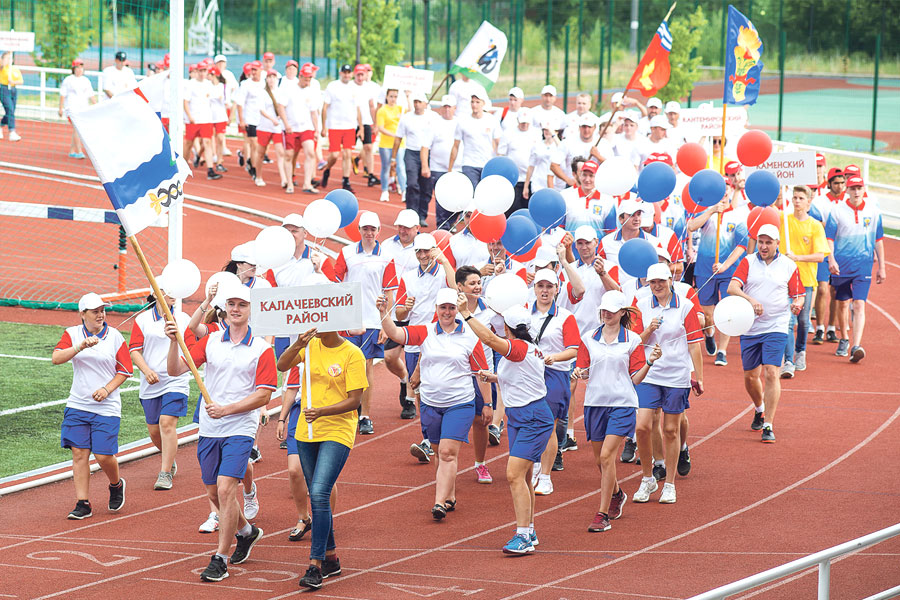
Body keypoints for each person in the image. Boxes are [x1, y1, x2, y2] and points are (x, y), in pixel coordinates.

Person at [165, 283, 275, 582]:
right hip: (210, 428)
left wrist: (228, 409)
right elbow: (175, 370)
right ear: (225, 308)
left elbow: (264, 395)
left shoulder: (262, 349)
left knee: (227, 489)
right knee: (214, 492)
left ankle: (220, 558)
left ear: (251, 309)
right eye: (232, 304)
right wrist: (175, 342)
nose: (236, 309)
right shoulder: (212, 340)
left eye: (242, 304)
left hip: (240, 426)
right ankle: (246, 532)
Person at [380, 288, 490, 518]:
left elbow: (482, 373)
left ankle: (439, 502)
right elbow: (395, 334)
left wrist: (487, 404)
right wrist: (383, 312)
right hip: (430, 402)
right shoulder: (426, 331)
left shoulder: (470, 336)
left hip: (460, 403)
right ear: (437, 309)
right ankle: (449, 495)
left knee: (449, 452)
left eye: (451, 307)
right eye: (443, 308)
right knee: (440, 451)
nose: (447, 312)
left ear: (458, 309)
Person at [459, 301, 554, 555]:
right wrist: (495, 378)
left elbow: (488, 339)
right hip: (522, 416)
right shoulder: (528, 349)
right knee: (522, 476)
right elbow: (524, 376)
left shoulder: (519, 348)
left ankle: (522, 535)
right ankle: (529, 530)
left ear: (508, 328)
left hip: (532, 417)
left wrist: (466, 313)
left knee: (513, 474)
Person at [276, 324, 366, 591]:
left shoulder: (353, 353)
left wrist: (323, 412)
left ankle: (315, 566)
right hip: (307, 432)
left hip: (337, 429)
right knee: (318, 494)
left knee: (317, 493)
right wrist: (298, 344)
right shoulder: (310, 346)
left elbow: (354, 400)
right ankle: (331, 557)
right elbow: (282, 365)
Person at [573, 290, 661, 532]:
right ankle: (617, 493)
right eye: (604, 309)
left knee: (606, 457)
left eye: (612, 310)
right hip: (595, 404)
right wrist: (579, 372)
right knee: (600, 462)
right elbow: (583, 368)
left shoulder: (632, 340)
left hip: (622, 404)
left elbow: (636, 379)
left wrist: (650, 362)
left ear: (622, 312)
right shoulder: (588, 338)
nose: (606, 313)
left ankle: (602, 515)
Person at [52, 293, 132, 519]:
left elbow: (125, 370)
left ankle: (116, 484)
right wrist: (80, 346)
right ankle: (83, 503)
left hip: (106, 407)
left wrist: (106, 389)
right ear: (83, 314)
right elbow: (56, 358)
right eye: (95, 311)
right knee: (79, 453)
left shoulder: (115, 336)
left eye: (102, 310)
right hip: (77, 405)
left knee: (103, 455)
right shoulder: (72, 334)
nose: (100, 314)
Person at [632, 264, 703, 504]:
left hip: (676, 375)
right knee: (642, 426)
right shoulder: (640, 305)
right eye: (653, 282)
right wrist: (647, 330)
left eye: (661, 281)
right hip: (649, 372)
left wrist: (699, 376)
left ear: (670, 280)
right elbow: (633, 342)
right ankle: (647, 477)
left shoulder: (686, 307)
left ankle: (670, 484)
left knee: (671, 430)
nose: (657, 286)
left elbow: (694, 344)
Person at [727, 224, 804, 443]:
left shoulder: (788, 265)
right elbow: (732, 287)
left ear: (777, 243)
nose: (763, 246)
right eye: (760, 241)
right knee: (750, 376)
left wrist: (797, 305)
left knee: (771, 371)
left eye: (768, 242)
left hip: (777, 324)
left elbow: (798, 294)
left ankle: (768, 424)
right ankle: (759, 408)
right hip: (750, 326)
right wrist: (751, 301)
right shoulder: (748, 261)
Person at [331, 211, 398, 434]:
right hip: (349, 320)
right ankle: (345, 411)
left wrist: (385, 324)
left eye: (372, 229)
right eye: (365, 229)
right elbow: (335, 284)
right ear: (359, 230)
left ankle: (365, 415)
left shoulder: (387, 256)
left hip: (372, 320)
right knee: (344, 366)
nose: (369, 233)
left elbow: (389, 293)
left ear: (379, 231)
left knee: (366, 366)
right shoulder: (346, 253)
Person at [129, 291, 192, 490]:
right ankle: (169, 458)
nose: (174, 294)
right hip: (150, 384)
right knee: (155, 432)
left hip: (176, 380)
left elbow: (191, 349)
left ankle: (165, 473)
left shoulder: (183, 318)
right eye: (167, 290)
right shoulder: (143, 320)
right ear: (156, 293)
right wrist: (147, 371)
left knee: (166, 423)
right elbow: (134, 350)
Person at [528, 268, 582, 497]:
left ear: (557, 289)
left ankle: (546, 477)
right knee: (530, 424)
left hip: (554, 374)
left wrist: (554, 357)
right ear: (534, 288)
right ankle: (535, 466)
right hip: (529, 375)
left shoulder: (565, 316)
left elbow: (573, 349)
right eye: (540, 286)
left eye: (549, 286)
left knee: (548, 425)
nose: (544, 291)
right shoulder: (523, 313)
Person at [687, 176, 749, 367]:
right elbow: (691, 226)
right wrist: (713, 210)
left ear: (730, 191)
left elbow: (741, 246)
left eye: (726, 190)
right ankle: (710, 333)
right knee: (707, 314)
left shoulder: (739, 215)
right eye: (719, 191)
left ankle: (722, 351)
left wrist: (725, 265)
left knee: (727, 310)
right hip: (705, 269)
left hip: (728, 270)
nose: (723, 194)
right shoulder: (708, 212)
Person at [825, 176, 886, 362]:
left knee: (859, 304)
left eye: (859, 188)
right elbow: (829, 238)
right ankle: (844, 337)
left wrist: (882, 267)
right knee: (842, 303)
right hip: (841, 266)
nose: (857, 191)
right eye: (853, 188)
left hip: (863, 266)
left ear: (863, 188)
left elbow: (878, 239)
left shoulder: (874, 212)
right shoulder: (836, 211)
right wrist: (831, 259)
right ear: (847, 190)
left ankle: (856, 345)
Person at [454, 265, 502, 482]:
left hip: (482, 373)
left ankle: (480, 464)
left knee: (481, 421)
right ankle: (446, 460)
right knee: (454, 418)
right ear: (459, 287)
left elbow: (503, 339)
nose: (476, 287)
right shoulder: (450, 309)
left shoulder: (491, 310)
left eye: (478, 283)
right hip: (457, 373)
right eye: (472, 283)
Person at [779, 185, 828, 378]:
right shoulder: (784, 221)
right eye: (795, 197)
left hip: (806, 280)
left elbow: (820, 256)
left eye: (801, 198)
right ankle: (788, 360)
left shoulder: (815, 225)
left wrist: (797, 258)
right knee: (788, 321)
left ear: (809, 202)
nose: (797, 201)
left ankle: (801, 352)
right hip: (786, 280)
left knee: (803, 321)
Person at [811, 168, 846, 344]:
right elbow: (817, 224)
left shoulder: (848, 202)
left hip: (843, 251)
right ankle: (819, 328)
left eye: (842, 183)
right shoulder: (819, 202)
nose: (840, 186)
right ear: (829, 183)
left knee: (835, 291)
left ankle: (831, 328)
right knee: (823, 289)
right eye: (836, 183)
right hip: (824, 250)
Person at [394, 92, 434, 225]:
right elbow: (398, 138)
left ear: (425, 104)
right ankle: (412, 215)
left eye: (419, 102)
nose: (417, 105)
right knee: (412, 184)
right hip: (411, 153)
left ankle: (422, 215)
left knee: (426, 186)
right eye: (415, 101)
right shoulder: (406, 118)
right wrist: (394, 158)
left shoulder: (433, 117)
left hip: (429, 154)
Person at [448, 88, 502, 187]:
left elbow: (499, 144)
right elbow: (456, 146)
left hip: (487, 164)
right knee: (472, 192)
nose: (474, 105)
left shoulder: (492, 120)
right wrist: (450, 168)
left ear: (483, 103)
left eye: (477, 102)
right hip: (469, 163)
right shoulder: (463, 121)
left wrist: (500, 162)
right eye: (472, 102)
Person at [321, 64, 362, 192]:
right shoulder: (333, 86)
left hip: (349, 126)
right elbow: (325, 107)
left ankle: (346, 180)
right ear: (340, 73)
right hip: (335, 125)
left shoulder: (354, 88)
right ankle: (327, 169)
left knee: (348, 154)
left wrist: (360, 126)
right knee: (334, 155)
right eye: (344, 72)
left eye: (349, 72)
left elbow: (358, 108)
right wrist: (324, 126)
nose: (346, 75)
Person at [422, 95, 460, 230]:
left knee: (457, 197)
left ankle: (451, 220)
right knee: (441, 196)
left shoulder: (459, 123)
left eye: (450, 107)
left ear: (455, 108)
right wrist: (425, 166)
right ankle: (442, 223)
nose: (447, 110)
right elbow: (425, 146)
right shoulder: (434, 124)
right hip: (438, 167)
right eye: (445, 107)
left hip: (457, 167)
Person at [184, 64, 223, 181]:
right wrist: (189, 116)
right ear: (196, 71)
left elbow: (215, 98)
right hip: (193, 120)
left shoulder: (209, 85)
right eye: (200, 71)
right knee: (188, 144)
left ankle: (210, 170)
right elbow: (185, 101)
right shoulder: (190, 84)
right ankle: (182, 165)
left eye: (204, 71)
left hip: (206, 119)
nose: (202, 73)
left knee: (207, 142)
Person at [254, 70, 290, 189]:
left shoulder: (281, 93)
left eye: (273, 77)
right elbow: (261, 109)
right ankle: (258, 176)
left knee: (281, 153)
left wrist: (281, 118)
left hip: (277, 128)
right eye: (269, 77)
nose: (271, 79)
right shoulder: (262, 93)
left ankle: (284, 179)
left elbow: (283, 108)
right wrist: (271, 119)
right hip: (264, 127)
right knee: (261, 153)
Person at [498, 109, 536, 215]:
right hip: (514, 179)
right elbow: (501, 154)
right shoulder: (508, 133)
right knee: (513, 208)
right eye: (522, 122)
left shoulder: (536, 133)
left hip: (531, 179)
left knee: (529, 209)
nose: (524, 125)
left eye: (526, 122)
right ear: (518, 120)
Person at [375, 87, 407, 203]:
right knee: (386, 166)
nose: (393, 99)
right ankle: (384, 191)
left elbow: (410, 112)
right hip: (386, 143)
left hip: (400, 144)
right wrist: (395, 135)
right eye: (391, 96)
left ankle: (404, 191)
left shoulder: (400, 109)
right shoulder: (382, 111)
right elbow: (381, 128)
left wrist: (408, 96)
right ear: (387, 97)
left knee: (400, 166)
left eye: (395, 96)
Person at [58, 58, 95, 158]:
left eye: (81, 68)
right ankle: (79, 151)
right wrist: (60, 108)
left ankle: (72, 150)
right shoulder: (68, 80)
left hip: (82, 109)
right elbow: (62, 94)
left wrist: (96, 106)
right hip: (71, 109)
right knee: (77, 129)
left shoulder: (85, 80)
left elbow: (91, 94)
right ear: (73, 69)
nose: (79, 70)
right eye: (77, 68)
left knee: (77, 129)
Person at [235, 61, 265, 179]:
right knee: (254, 144)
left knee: (260, 146)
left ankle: (249, 160)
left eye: (255, 69)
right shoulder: (245, 84)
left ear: (261, 70)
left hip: (262, 120)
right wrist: (241, 120)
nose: (253, 72)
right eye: (251, 70)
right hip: (250, 119)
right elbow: (239, 103)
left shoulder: (264, 83)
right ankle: (253, 167)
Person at [551, 113, 598, 189]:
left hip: (595, 187)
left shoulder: (603, 143)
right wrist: (568, 180)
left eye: (589, 127)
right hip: (574, 187)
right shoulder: (568, 142)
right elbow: (553, 165)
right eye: (584, 126)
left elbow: (610, 166)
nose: (586, 130)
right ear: (579, 127)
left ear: (594, 127)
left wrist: (598, 156)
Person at [353, 64, 380, 187]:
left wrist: (375, 123)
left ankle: (370, 174)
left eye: (362, 74)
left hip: (366, 121)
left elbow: (371, 106)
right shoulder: (350, 87)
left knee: (369, 147)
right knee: (347, 150)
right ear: (354, 74)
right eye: (358, 74)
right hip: (351, 122)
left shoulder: (369, 88)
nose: (360, 77)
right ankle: (345, 178)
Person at [523, 123, 560, 198]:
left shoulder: (559, 145)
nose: (547, 132)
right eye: (545, 130)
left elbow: (561, 148)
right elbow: (531, 166)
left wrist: (553, 135)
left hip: (555, 184)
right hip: (538, 184)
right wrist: (526, 186)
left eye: (549, 130)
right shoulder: (537, 146)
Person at [0, 51, 24, 141]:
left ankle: (1, 125)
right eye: (7, 58)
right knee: (9, 109)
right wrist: (4, 58)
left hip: (13, 89)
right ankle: (12, 132)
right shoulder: (2, 68)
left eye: (10, 58)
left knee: (11, 111)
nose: (9, 60)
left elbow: (21, 81)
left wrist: (13, 82)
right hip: (3, 89)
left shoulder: (15, 69)